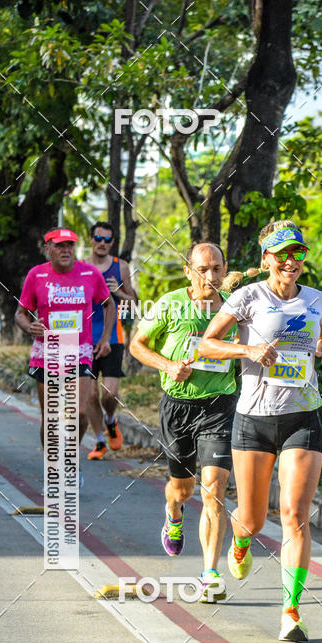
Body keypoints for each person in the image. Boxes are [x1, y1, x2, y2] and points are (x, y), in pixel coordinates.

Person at [199, 220, 322, 643]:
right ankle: (240, 541)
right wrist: (247, 349)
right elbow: (206, 343)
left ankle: (291, 612)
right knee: (253, 520)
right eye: (282, 254)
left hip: (302, 416)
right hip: (255, 420)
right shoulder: (248, 297)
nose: (291, 261)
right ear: (267, 260)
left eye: (298, 253)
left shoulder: (316, 300)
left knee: (295, 515)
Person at [129, 242, 237, 603]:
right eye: (203, 269)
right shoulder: (170, 304)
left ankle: (210, 575)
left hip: (219, 405)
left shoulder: (235, 307)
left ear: (225, 269)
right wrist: (168, 365)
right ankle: (173, 513)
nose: (211, 276)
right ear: (188, 271)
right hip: (178, 407)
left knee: (214, 490)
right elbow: (137, 345)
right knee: (183, 490)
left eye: (217, 268)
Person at [14, 229, 115, 457]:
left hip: (79, 351)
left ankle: (70, 458)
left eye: (70, 245)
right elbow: (20, 313)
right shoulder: (36, 275)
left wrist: (106, 337)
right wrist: (28, 327)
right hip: (47, 353)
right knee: (51, 418)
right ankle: (53, 464)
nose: (66, 250)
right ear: (47, 248)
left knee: (79, 412)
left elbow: (109, 304)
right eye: (59, 245)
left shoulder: (90, 273)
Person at [85, 221, 137, 459]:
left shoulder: (121, 267)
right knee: (90, 395)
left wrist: (118, 292)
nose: (102, 243)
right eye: (98, 238)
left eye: (107, 240)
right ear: (91, 239)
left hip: (113, 337)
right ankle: (99, 441)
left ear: (112, 242)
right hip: (84, 339)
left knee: (110, 393)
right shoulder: (80, 267)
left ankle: (109, 419)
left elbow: (134, 304)